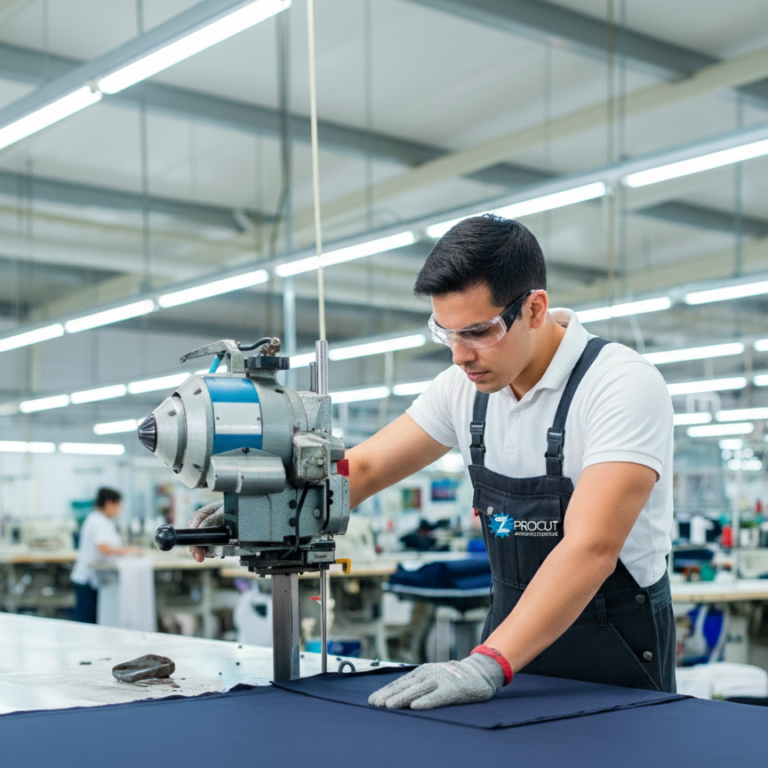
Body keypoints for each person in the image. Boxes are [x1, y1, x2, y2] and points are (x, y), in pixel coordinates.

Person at [190, 214, 675, 709]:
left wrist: (486, 664)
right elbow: (364, 469)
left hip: (610, 663)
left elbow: (591, 548)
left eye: (478, 332)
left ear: (534, 309)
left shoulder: (620, 385)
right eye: (447, 334)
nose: (460, 357)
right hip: (506, 660)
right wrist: (266, 506)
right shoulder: (462, 390)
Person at [70, 487, 141, 623]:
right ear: (109, 504)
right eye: (118, 505)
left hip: (90, 578)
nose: (120, 510)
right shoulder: (98, 521)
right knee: (86, 621)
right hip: (87, 579)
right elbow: (103, 547)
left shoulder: (100, 520)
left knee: (89, 618)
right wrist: (129, 551)